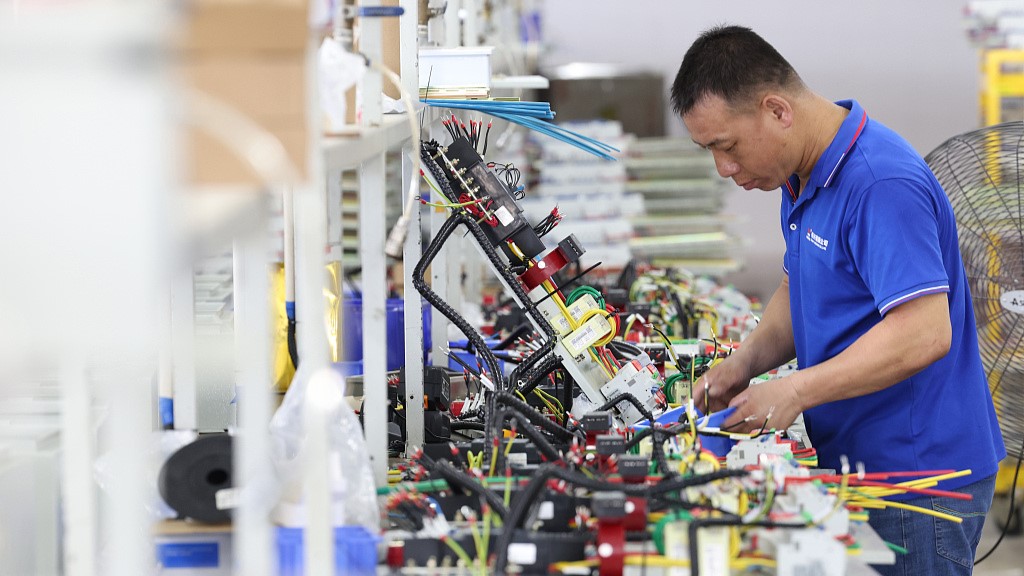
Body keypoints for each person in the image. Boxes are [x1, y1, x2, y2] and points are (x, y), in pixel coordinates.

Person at [672, 25, 1006, 575]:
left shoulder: (879, 182)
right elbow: (797, 284)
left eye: (726, 147)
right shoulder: (802, 176)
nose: (723, 169)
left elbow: (925, 331)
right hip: (861, 463)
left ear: (777, 110)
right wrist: (745, 363)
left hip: (916, 480)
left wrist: (795, 390)